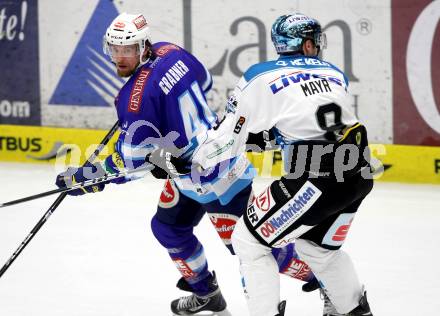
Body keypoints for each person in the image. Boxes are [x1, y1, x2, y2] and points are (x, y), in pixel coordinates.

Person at [55, 12, 319, 316]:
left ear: (142, 46)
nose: (119, 57)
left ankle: (322, 276)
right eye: (114, 49)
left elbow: (130, 164)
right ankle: (206, 293)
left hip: (219, 177)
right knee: (168, 228)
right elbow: (203, 82)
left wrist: (86, 178)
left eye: (126, 49)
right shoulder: (170, 50)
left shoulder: (132, 101)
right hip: (191, 170)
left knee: (256, 249)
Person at [156, 13, 374, 316]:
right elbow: (299, 125)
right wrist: (260, 137)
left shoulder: (259, 76)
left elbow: (226, 142)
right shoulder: (334, 73)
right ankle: (354, 311)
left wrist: (185, 160)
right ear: (308, 44)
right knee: (318, 250)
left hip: (316, 176)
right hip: (359, 170)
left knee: (248, 242)